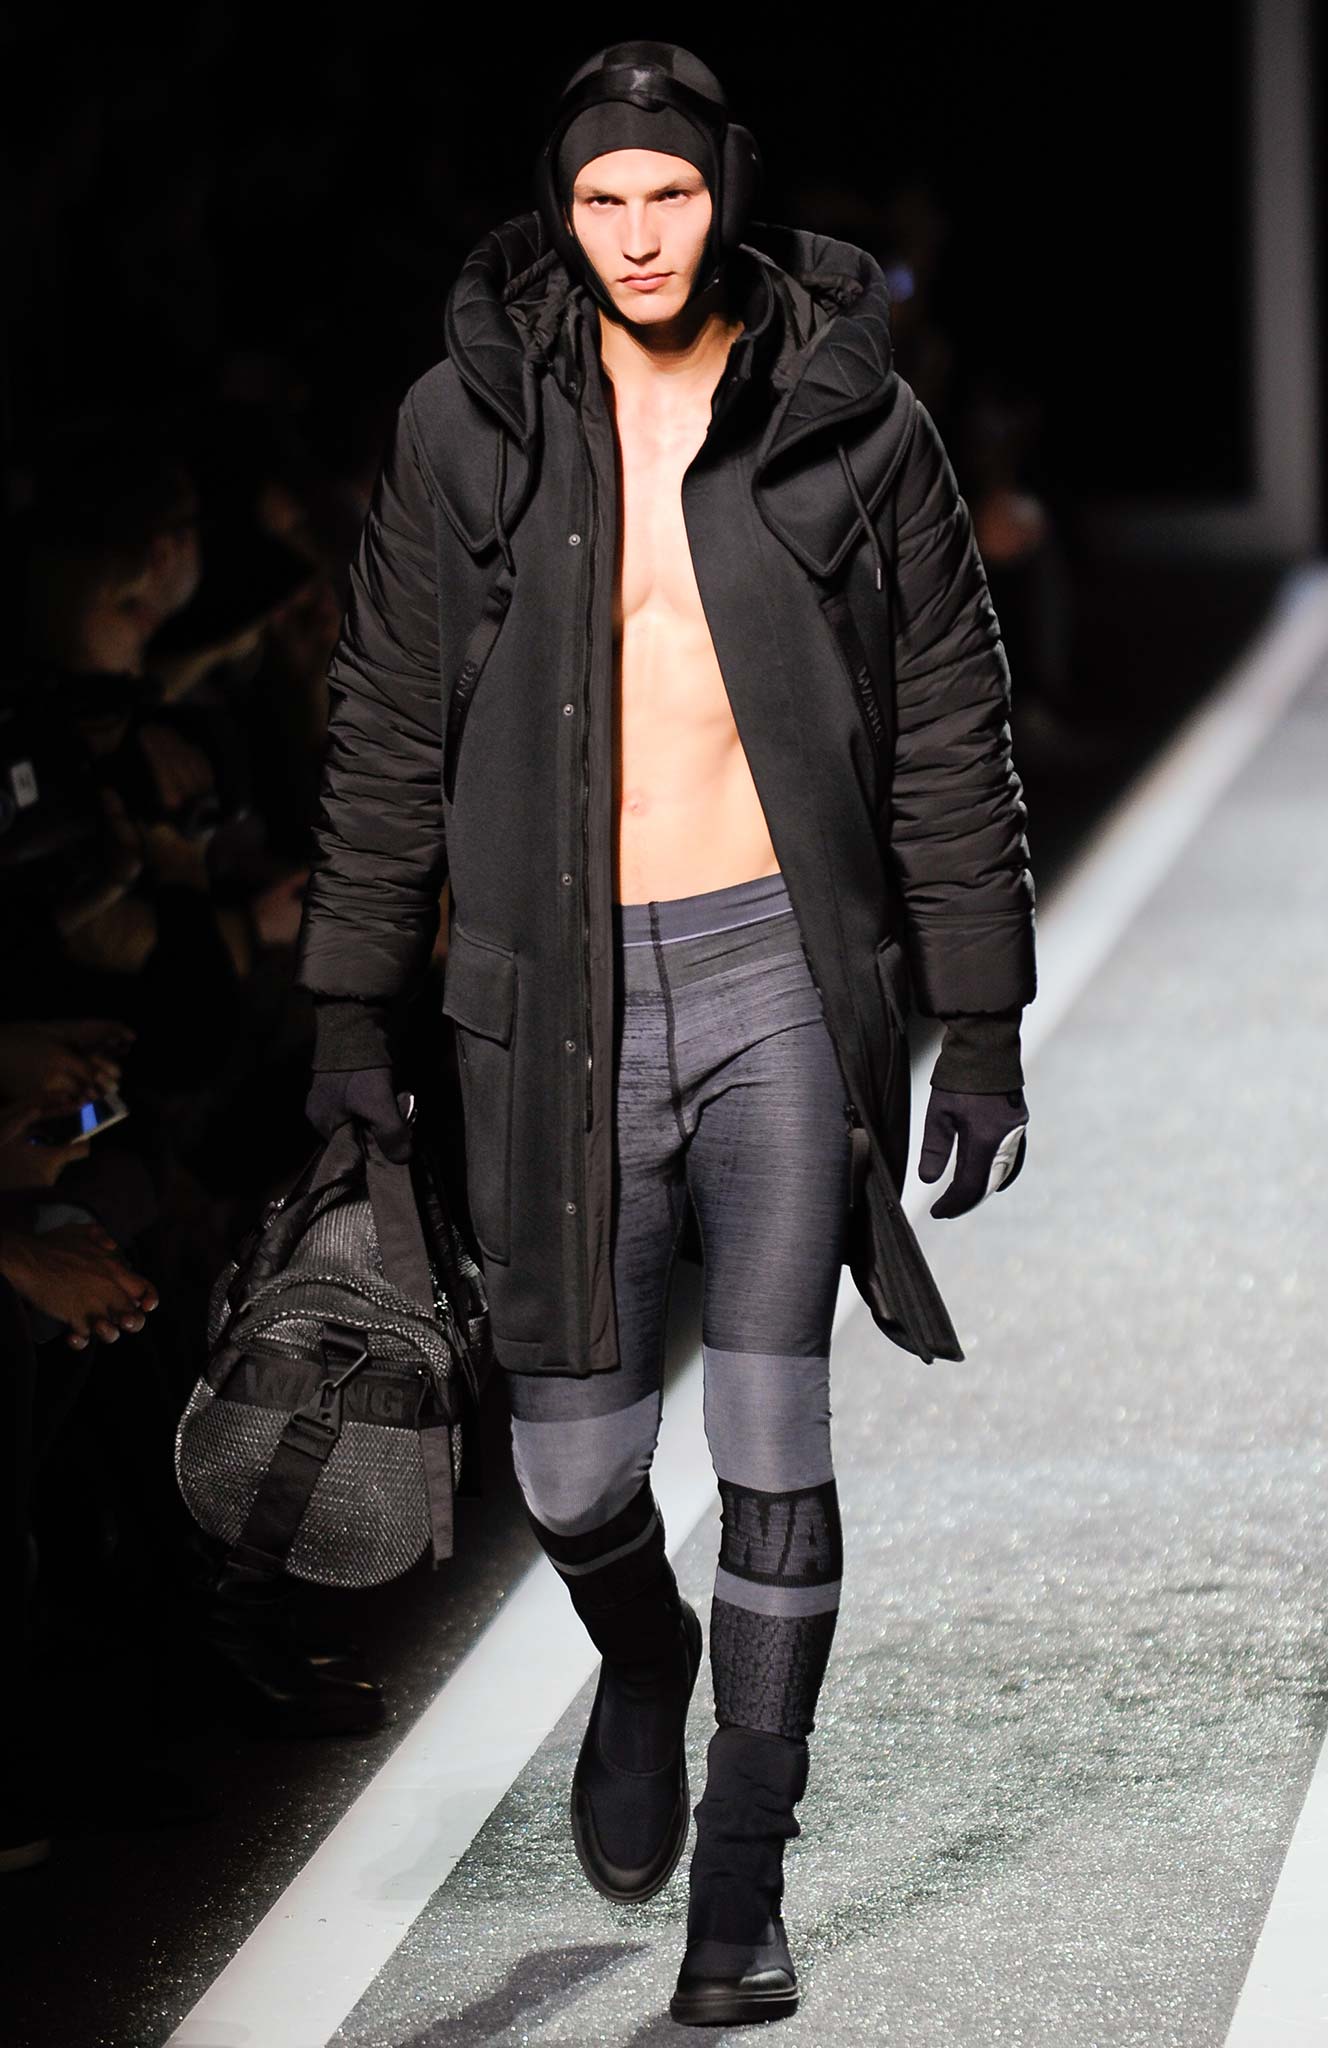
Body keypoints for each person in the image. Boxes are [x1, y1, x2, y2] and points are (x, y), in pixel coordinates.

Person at [298, 40, 1036, 2029]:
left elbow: (947, 725)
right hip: (547, 1003)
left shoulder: (845, 418)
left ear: (727, 192)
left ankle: (739, 1882)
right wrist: (349, 996)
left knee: (773, 1426)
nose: (637, 236)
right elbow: (387, 717)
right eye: (601, 200)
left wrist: (976, 1019)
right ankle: (642, 1654)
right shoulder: (466, 425)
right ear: (561, 211)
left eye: (671, 195)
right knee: (567, 1471)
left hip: (780, 971)